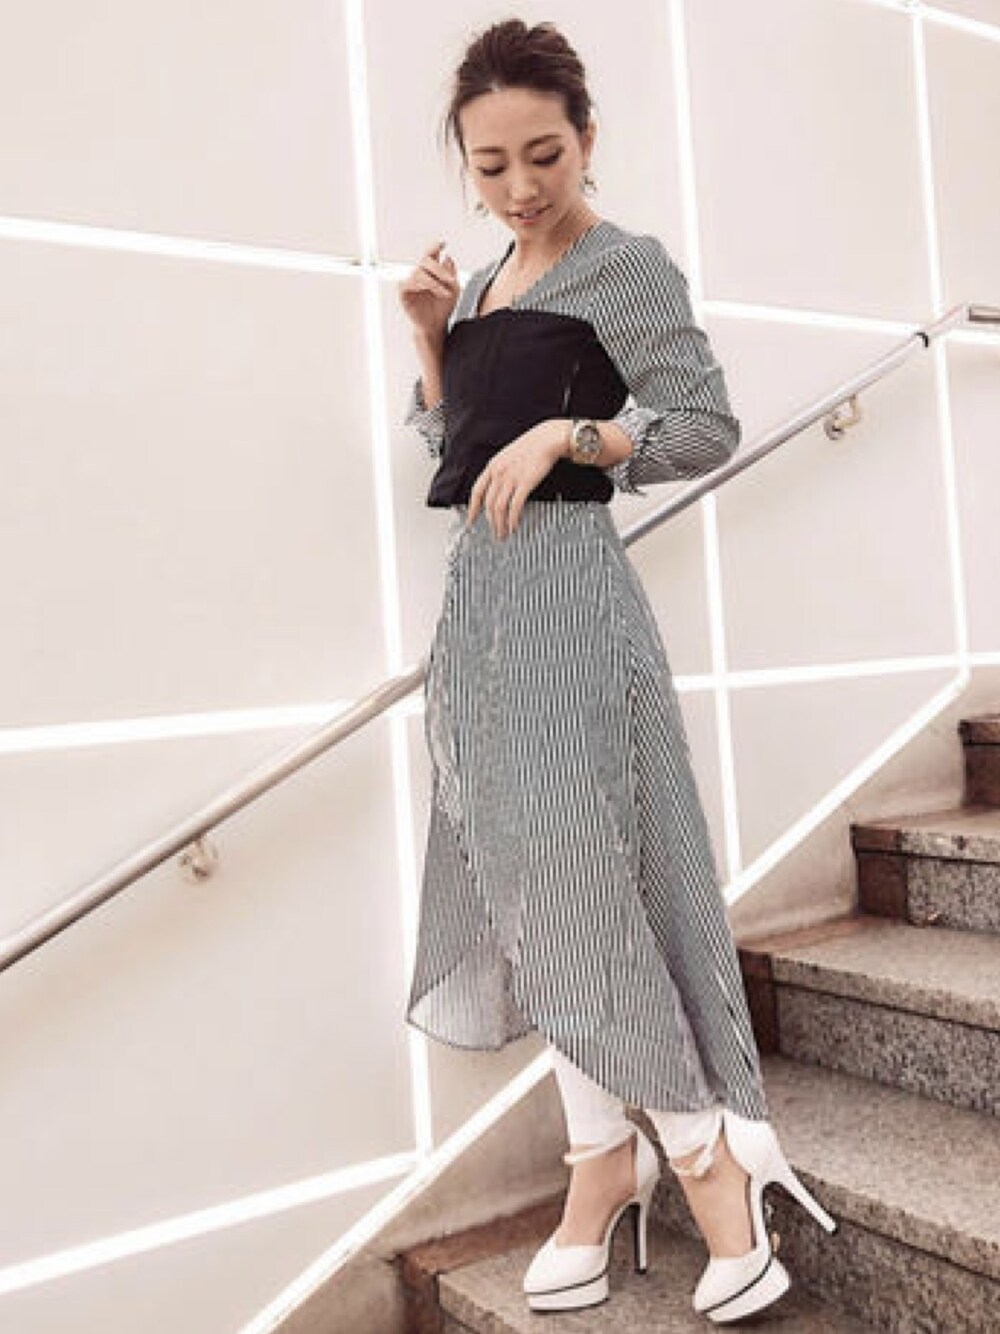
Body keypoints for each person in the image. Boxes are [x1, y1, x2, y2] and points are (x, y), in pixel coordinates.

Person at [397, 17, 838, 1324]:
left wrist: (574, 435)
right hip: (481, 617)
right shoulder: (482, 282)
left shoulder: (623, 265)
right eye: (491, 165)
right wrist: (429, 336)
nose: (520, 186)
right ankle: (602, 1161)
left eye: (544, 154)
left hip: (573, 609)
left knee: (588, 888)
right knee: (529, 894)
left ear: (588, 137)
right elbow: (454, 450)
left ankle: (705, 1164)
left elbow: (703, 422)